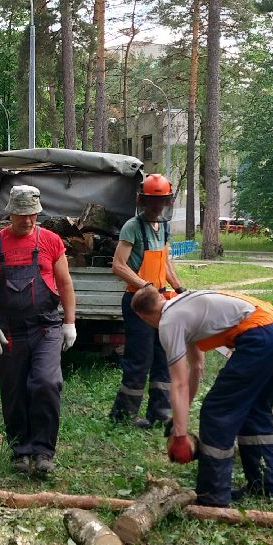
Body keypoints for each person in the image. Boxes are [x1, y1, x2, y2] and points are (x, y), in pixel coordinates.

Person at [131, 285, 273, 507]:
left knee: (216, 411)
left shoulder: (168, 322)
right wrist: (178, 420)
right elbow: (197, 367)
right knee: (255, 410)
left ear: (143, 316)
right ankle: (268, 485)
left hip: (261, 335)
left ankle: (213, 496)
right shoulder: (183, 305)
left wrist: (181, 436)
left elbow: (179, 383)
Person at [0, 185, 78, 477]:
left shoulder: (50, 241)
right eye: (22, 215)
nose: (28, 221)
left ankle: (44, 452)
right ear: (10, 213)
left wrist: (69, 322)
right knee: (13, 390)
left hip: (46, 327)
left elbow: (65, 283)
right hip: (11, 329)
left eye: (33, 215)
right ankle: (21, 451)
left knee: (46, 383)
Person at [109, 173, 184, 428]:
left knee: (163, 358)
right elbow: (118, 266)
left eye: (161, 201)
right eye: (152, 201)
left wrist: (178, 287)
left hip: (163, 303)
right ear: (143, 200)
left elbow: (165, 262)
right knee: (140, 359)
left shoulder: (163, 226)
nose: (157, 206)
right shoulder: (133, 226)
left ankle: (160, 412)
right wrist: (146, 286)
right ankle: (123, 416)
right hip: (139, 303)